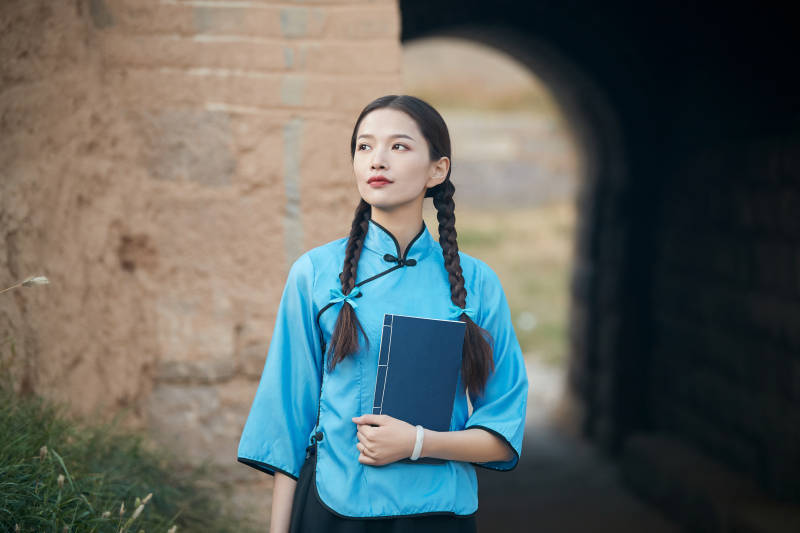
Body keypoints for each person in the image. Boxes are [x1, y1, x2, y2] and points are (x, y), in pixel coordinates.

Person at [237, 95, 529, 533]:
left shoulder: (477, 283)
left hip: (438, 516)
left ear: (438, 170)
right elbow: (287, 422)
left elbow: (503, 435)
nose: (377, 160)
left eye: (399, 146)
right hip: (334, 509)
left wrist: (416, 442)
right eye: (364, 146)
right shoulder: (315, 274)